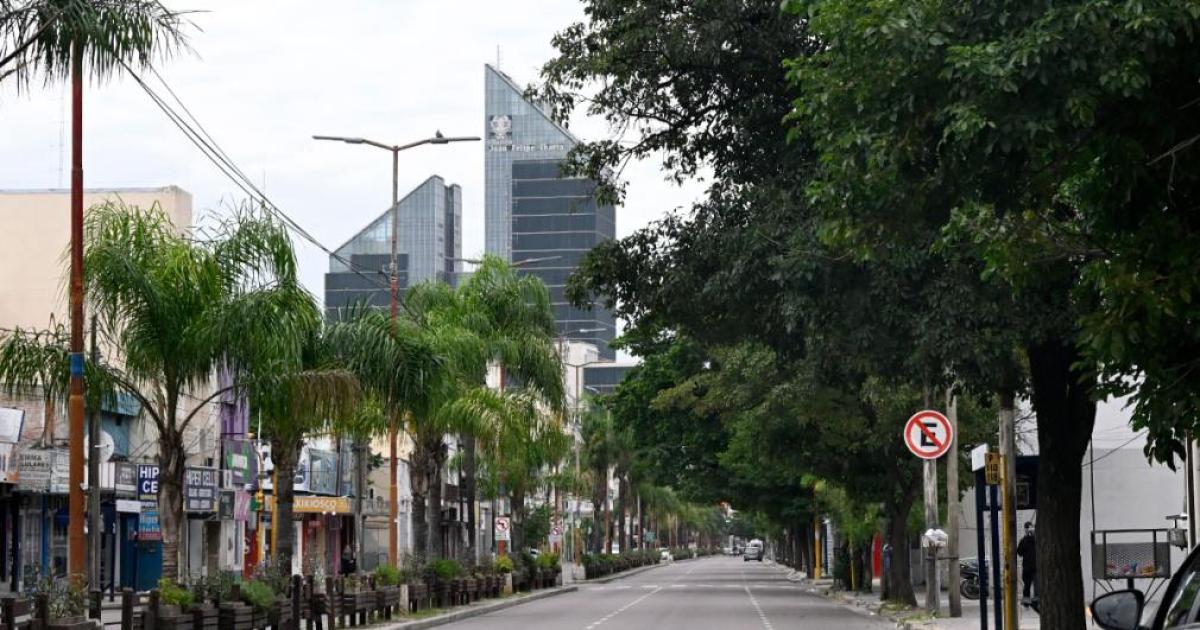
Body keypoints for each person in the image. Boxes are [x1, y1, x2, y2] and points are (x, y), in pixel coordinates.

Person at [1016, 521, 1036, 604]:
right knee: (1034, 584)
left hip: (1028, 566)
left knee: (1027, 584)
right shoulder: (1035, 539)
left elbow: (1019, 552)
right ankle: (1033, 599)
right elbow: (1020, 552)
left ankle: (1027, 601)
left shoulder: (1024, 540)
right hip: (1034, 566)